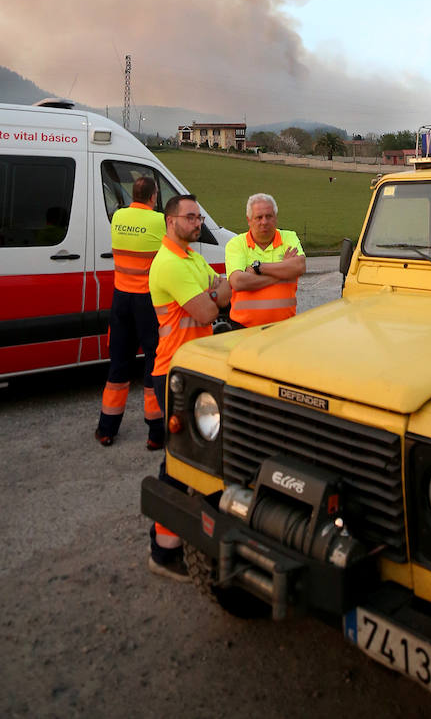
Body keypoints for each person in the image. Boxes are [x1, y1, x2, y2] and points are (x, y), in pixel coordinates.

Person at [147, 192, 231, 581]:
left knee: (196, 457)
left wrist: (216, 293)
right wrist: (216, 295)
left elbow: (220, 290)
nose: (197, 224)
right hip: (175, 372)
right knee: (179, 462)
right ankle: (163, 552)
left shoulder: (192, 257)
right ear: (171, 221)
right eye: (190, 218)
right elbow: (210, 308)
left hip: (197, 369)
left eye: (199, 218)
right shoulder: (169, 263)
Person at [95, 176, 167, 449]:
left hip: (120, 299)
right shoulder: (159, 221)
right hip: (147, 301)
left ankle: (106, 428)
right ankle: (155, 432)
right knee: (153, 361)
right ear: (153, 196)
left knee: (119, 363)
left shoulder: (118, 217)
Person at [224, 193, 306, 327]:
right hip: (244, 329)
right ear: (249, 220)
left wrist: (258, 268)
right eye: (259, 217)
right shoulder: (237, 244)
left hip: (284, 328)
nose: (264, 222)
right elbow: (238, 281)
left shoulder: (288, 237)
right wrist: (282, 272)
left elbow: (299, 267)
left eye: (269, 216)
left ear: (276, 218)